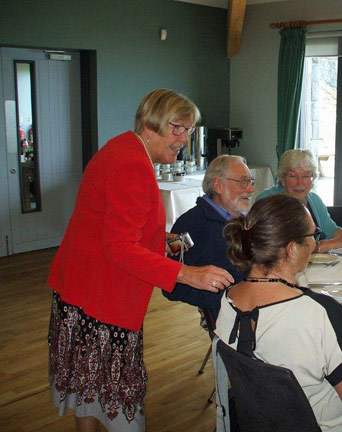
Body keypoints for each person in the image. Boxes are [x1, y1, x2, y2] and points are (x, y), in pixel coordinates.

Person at [47, 89, 234, 432]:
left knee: (90, 388)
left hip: (81, 287)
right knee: (117, 398)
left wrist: (159, 240)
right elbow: (118, 248)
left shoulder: (123, 147)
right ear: (150, 124)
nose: (184, 138)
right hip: (102, 297)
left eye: (189, 130)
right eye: (177, 127)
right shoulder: (132, 163)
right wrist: (185, 273)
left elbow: (111, 224)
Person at [217, 194, 342, 431]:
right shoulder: (319, 313)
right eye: (313, 236)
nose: (316, 244)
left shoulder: (228, 298)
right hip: (324, 425)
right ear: (292, 250)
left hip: (260, 419)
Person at [163, 155, 251, 318]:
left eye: (250, 182)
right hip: (227, 315)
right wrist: (226, 297)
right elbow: (171, 286)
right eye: (243, 182)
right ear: (218, 185)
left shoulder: (245, 221)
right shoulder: (190, 225)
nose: (251, 189)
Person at [256, 149, 342, 252]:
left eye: (306, 176)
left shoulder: (314, 200)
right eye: (293, 176)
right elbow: (286, 248)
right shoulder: (267, 200)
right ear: (283, 179)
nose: (300, 183)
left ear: (312, 179)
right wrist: (328, 244)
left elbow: (332, 230)